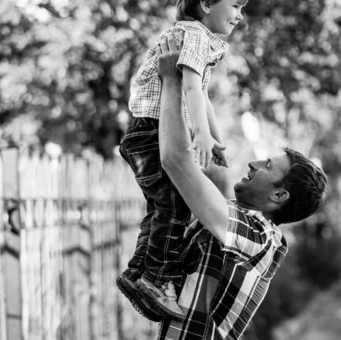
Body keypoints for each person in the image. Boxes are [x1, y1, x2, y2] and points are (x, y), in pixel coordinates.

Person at [125, 34, 328, 339]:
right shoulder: (232, 218)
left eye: (267, 166)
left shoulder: (261, 238)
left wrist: (172, 80)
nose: (254, 164)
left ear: (279, 195)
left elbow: (176, 162)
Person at [117, 0, 249, 319]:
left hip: (146, 130)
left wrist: (215, 139)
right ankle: (157, 279)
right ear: (207, 4)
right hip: (149, 132)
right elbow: (190, 85)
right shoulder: (192, 35)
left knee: (162, 206)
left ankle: (140, 274)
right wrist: (201, 135)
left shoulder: (198, 37)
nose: (239, 15)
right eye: (235, 5)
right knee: (174, 206)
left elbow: (202, 95)